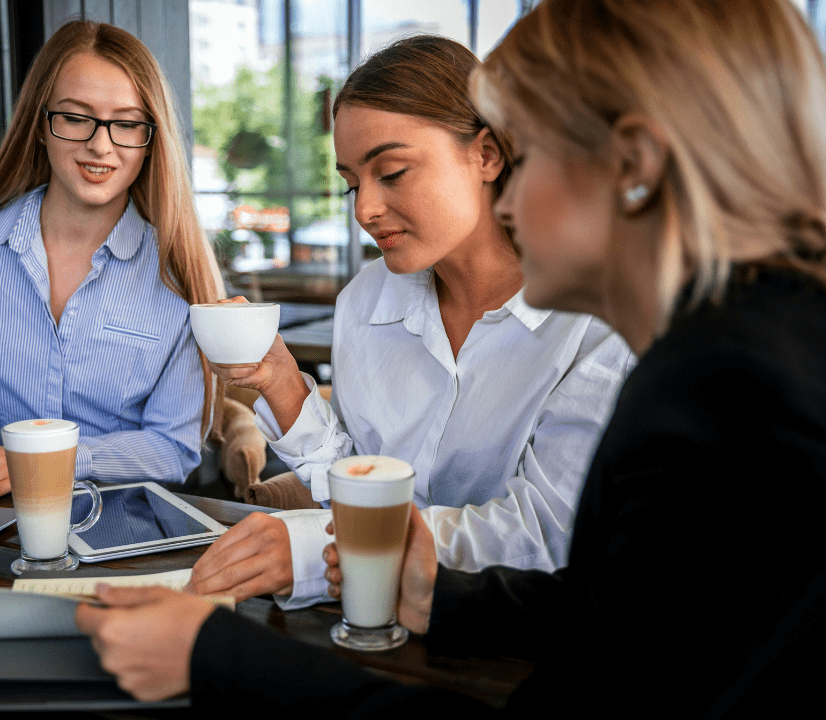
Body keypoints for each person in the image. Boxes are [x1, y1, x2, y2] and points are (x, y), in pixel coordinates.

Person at [76, 0, 826, 714]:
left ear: (633, 166)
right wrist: (435, 594)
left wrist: (217, 656)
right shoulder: (767, 351)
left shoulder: (726, 391)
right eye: (354, 182)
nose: (514, 199)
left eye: (534, 154)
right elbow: (625, 612)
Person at [188, 35, 633, 607]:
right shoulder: (365, 301)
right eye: (352, 183)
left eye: (392, 172)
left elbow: (545, 533)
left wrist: (318, 554)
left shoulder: (594, 321)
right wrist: (280, 382)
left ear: (487, 155)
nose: (363, 210)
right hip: (372, 620)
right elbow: (359, 483)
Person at [0, 21, 222, 506]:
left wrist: (44, 460)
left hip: (124, 536)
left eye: (127, 123)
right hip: (1, 530)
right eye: (75, 116)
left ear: (151, 140)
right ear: (40, 124)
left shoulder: (177, 273)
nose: (101, 146)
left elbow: (172, 450)